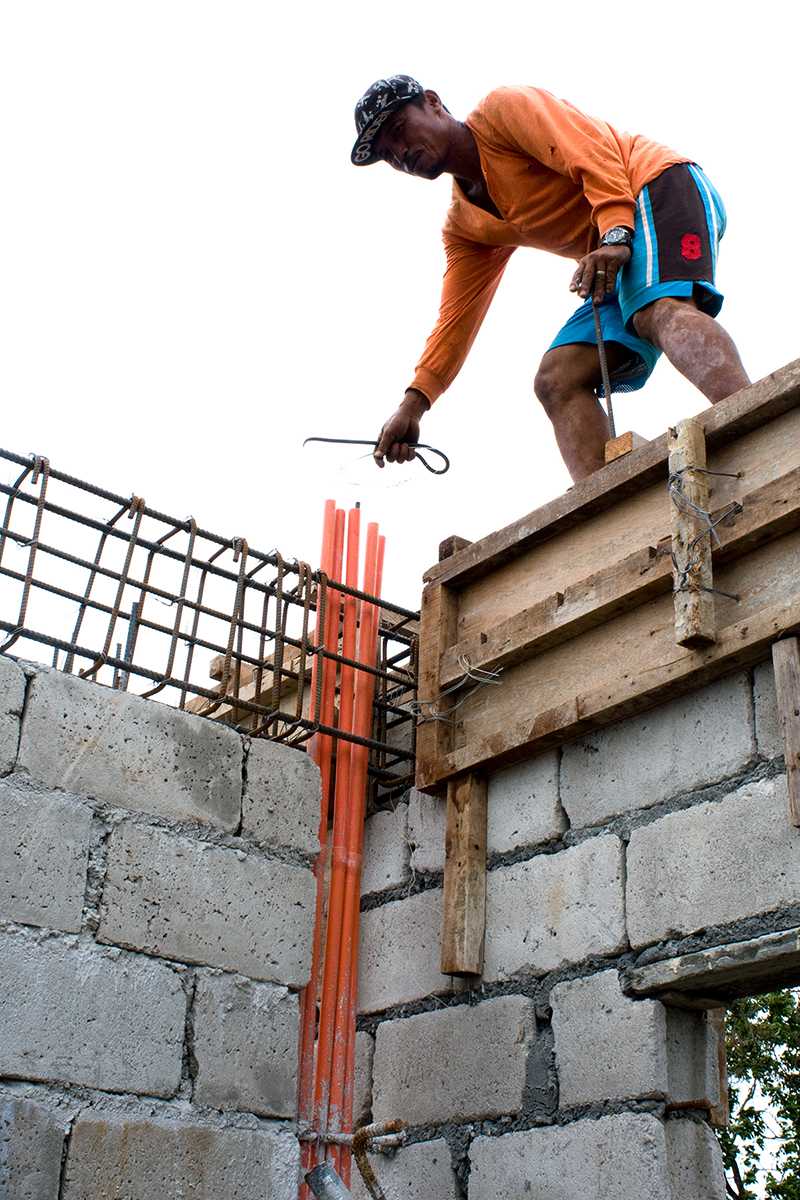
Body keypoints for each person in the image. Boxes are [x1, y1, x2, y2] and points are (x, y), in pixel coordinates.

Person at [351, 76, 750, 482]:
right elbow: (455, 319)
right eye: (387, 154)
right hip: (613, 251)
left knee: (656, 309)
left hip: (652, 186)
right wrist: (412, 406)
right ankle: (609, 519)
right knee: (557, 378)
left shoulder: (500, 112)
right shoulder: (464, 226)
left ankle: (760, 421)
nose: (399, 153)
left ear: (433, 103)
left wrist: (614, 233)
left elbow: (589, 149)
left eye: (399, 130)